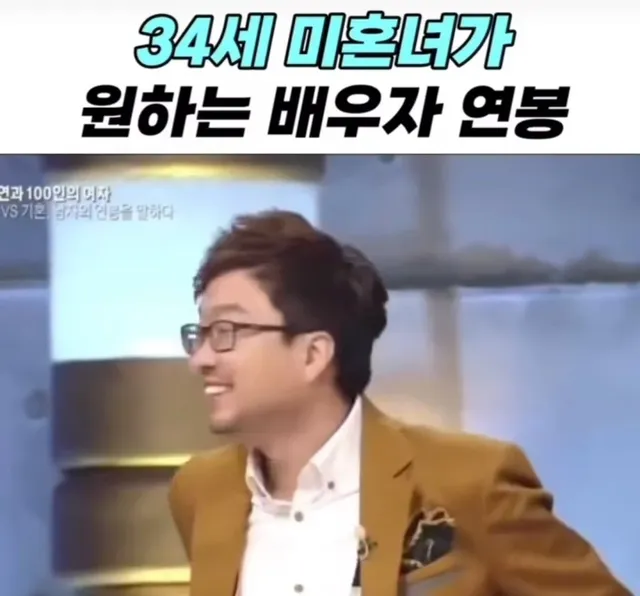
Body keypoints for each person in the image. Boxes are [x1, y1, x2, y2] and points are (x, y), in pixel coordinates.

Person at [169, 210, 630, 596]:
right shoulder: (202, 492)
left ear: (313, 354)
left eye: (227, 331)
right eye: (201, 334)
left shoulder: (470, 483)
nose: (201, 359)